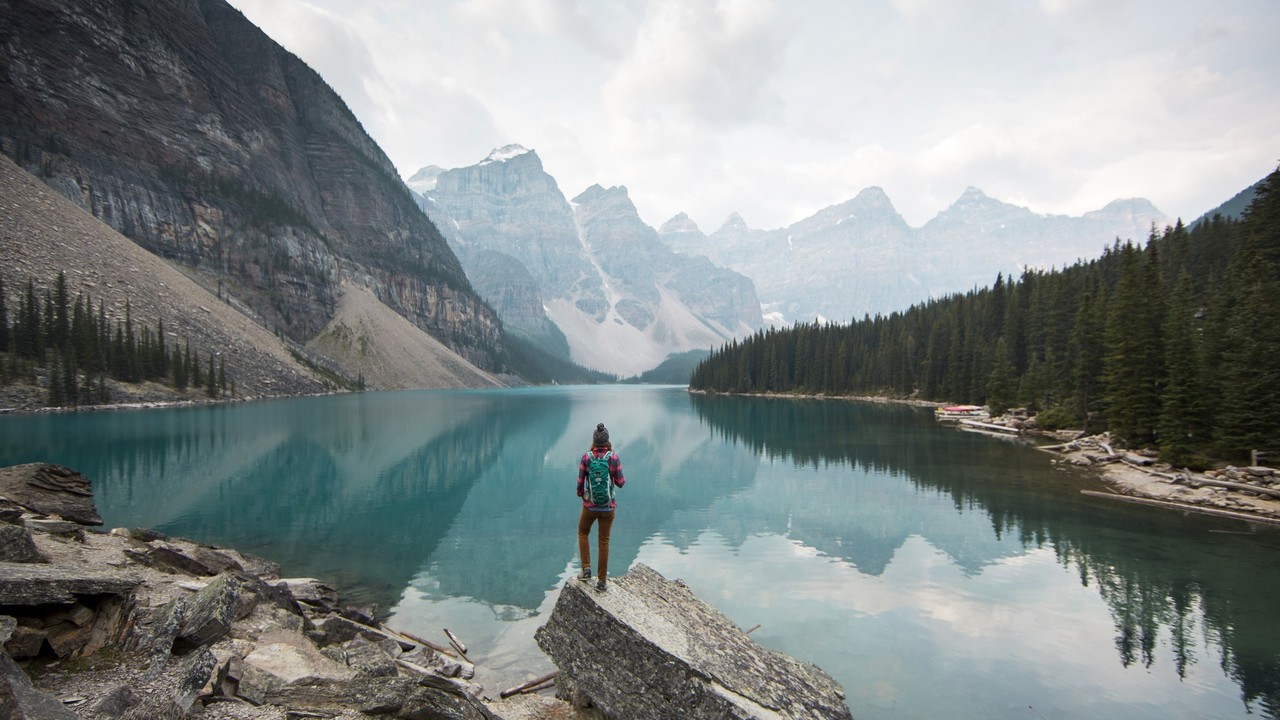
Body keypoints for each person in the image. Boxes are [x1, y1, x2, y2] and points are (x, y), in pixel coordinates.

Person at [577, 422, 625, 592]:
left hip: (589, 507)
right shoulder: (613, 458)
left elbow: (580, 486)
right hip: (608, 507)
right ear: (607, 441)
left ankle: (586, 569)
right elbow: (620, 483)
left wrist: (583, 495)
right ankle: (602, 582)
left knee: (583, 532)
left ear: (594, 440)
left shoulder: (586, 458)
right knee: (603, 541)